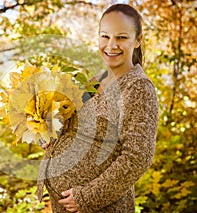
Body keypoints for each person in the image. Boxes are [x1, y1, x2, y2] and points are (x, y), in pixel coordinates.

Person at [37, 3, 159, 213]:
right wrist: (47, 131)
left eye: (121, 37)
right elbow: (72, 128)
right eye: (105, 36)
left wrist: (87, 197)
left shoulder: (138, 87)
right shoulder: (94, 80)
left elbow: (138, 157)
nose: (111, 45)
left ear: (137, 41)